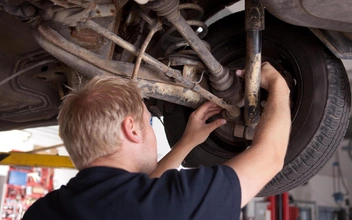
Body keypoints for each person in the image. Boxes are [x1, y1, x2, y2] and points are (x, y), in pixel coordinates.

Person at [23, 62, 291, 220]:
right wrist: (280, 86)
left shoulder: (41, 213)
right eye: (149, 121)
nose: (150, 130)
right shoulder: (172, 203)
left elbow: (139, 197)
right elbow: (270, 157)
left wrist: (186, 143)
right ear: (132, 130)